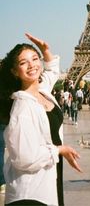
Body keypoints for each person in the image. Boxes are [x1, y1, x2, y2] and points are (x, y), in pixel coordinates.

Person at [0, 33, 82, 206]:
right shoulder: (22, 106)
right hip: (30, 193)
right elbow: (24, 158)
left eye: (35, 59)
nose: (32, 65)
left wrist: (46, 50)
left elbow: (52, 72)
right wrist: (59, 150)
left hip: (47, 178)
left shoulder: (41, 91)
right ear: (15, 71)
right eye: (23, 63)